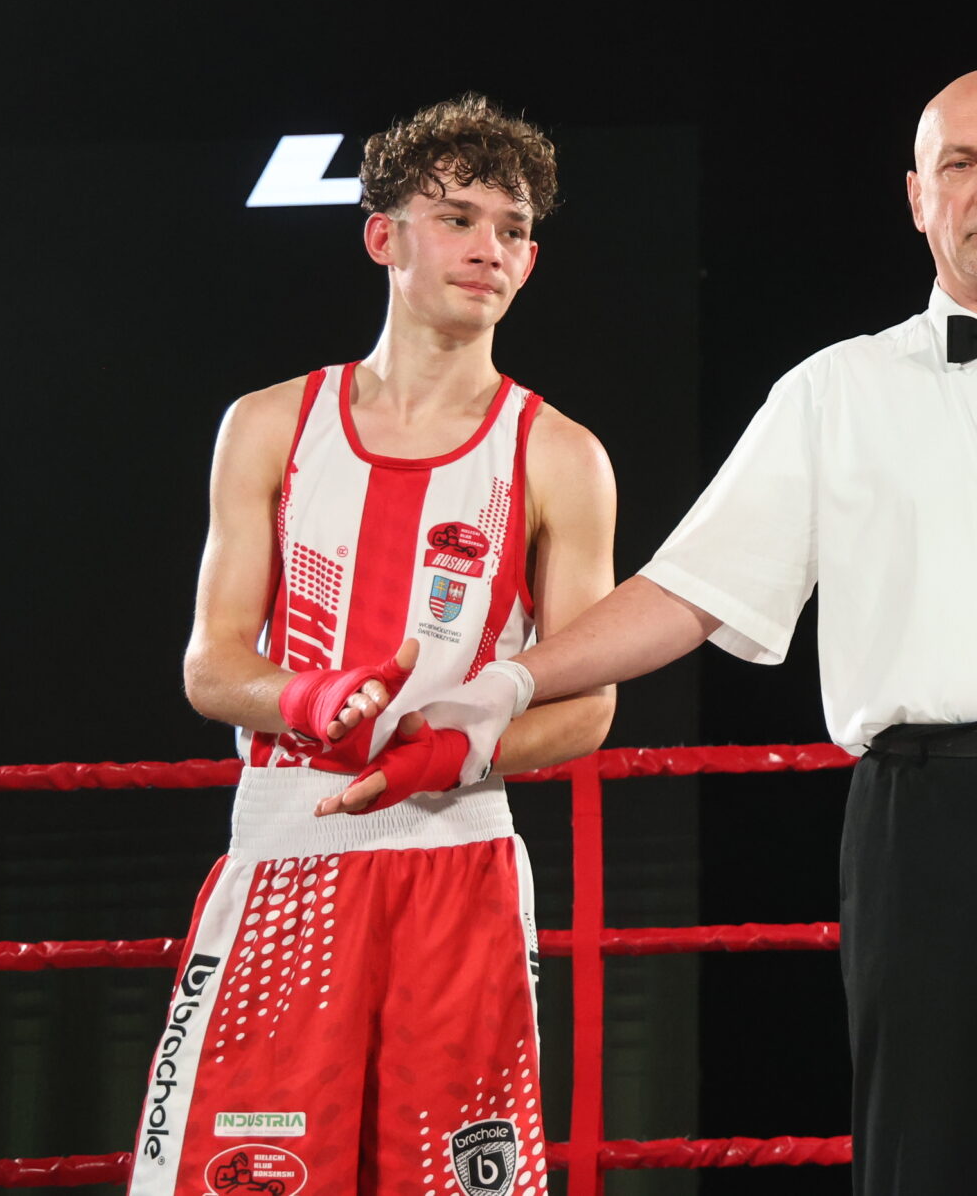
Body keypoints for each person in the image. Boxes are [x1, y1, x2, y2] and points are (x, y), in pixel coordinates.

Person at [333, 69, 977, 1194]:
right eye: (959, 164)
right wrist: (506, 684)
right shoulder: (833, 393)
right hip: (924, 822)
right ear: (917, 196)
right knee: (918, 1166)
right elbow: (688, 589)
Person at [128, 96, 618, 1196]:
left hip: (458, 859)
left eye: (513, 228)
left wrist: (454, 749)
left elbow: (590, 704)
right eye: (458, 218)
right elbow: (211, 666)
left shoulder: (561, 456)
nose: (489, 248)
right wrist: (312, 700)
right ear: (383, 236)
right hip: (289, 856)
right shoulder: (270, 424)